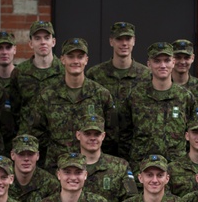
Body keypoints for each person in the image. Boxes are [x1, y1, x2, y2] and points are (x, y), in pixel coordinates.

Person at [23, 37, 116, 170]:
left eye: (80, 56)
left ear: (86, 60)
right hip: (57, 168)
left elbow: (111, 135)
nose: (75, 61)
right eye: (71, 56)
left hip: (92, 170)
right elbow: (36, 133)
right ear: (62, 60)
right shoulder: (48, 95)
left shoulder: (101, 94)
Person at [123, 42, 196, 165]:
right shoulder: (136, 96)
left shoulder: (185, 97)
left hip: (176, 169)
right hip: (143, 169)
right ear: (149, 64)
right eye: (157, 61)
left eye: (167, 60)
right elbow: (124, 136)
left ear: (173, 62)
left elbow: (192, 135)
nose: (163, 65)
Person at [86, 21, 150, 159]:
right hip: (101, 146)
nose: (124, 43)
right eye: (119, 39)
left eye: (128, 39)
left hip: (135, 148)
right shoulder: (95, 74)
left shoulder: (146, 75)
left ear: (134, 41)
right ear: (111, 41)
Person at [77, 114, 137, 202]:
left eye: (97, 134)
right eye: (87, 134)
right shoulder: (68, 167)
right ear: (78, 135)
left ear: (103, 136)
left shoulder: (121, 166)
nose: (92, 138)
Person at [11, 20, 63, 116]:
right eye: (37, 38)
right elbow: (14, 110)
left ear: (53, 42)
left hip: (55, 130)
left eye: (47, 38)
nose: (43, 42)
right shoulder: (20, 72)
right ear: (31, 43)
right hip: (27, 130)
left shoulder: (65, 71)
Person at [9, 134, 59, 202]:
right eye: (21, 154)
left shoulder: (50, 183)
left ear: (38, 155)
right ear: (12, 155)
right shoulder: (2, 181)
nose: (26, 159)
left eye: (30, 154)